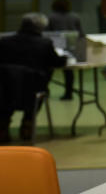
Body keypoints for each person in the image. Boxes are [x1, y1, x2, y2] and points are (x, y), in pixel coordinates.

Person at [0, 13, 67, 141]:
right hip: (33, 89)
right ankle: (28, 124)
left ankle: (3, 125)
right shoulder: (45, 44)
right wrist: (65, 58)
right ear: (41, 28)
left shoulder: (4, 42)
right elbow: (57, 62)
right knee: (37, 92)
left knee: (7, 95)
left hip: (5, 88)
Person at [48, 0, 84, 100]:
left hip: (56, 46)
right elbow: (81, 33)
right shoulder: (75, 16)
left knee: (49, 69)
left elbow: (47, 33)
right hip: (71, 47)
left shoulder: (52, 17)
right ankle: (69, 93)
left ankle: (44, 91)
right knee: (68, 71)